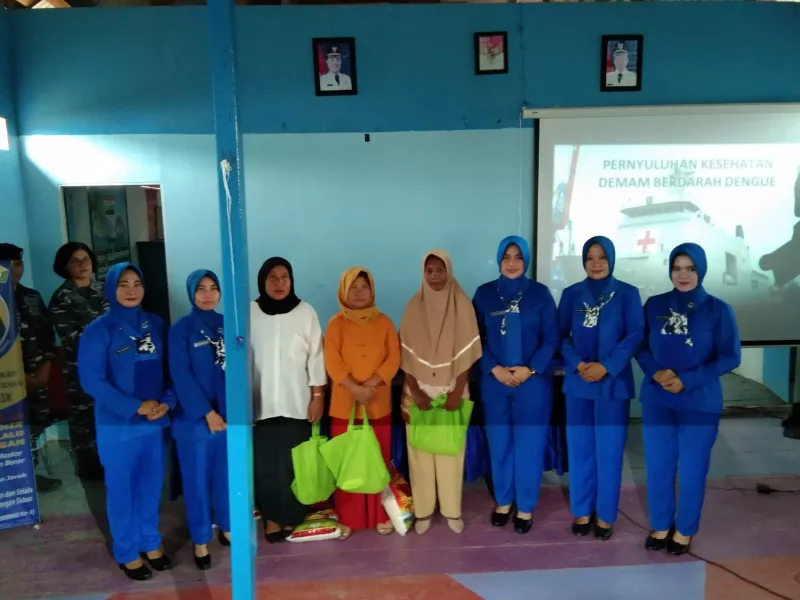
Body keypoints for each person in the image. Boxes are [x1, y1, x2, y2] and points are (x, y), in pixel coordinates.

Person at [637, 243, 741, 555]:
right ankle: (660, 524)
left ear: (701, 270)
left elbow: (730, 356)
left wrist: (687, 380)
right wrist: (655, 372)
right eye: (677, 268)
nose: (683, 275)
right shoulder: (654, 305)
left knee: (693, 469)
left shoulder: (718, 309)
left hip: (699, 402)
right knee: (658, 466)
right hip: (658, 400)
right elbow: (640, 347)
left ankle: (684, 530)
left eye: (691, 268)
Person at [78, 262, 174, 581]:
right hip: (117, 428)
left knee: (151, 488)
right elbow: (92, 381)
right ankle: (127, 552)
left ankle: (150, 542)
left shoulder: (156, 324)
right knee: (122, 491)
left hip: (154, 424)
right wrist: (135, 407)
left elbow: (170, 371)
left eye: (137, 283)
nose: (131, 290)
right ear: (111, 289)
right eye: (123, 284)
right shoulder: (98, 331)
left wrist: (167, 402)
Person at [557, 236, 644, 541]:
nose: (596, 263)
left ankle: (605, 514)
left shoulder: (627, 294)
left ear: (612, 260)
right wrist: (579, 364)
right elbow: (559, 335)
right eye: (590, 257)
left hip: (613, 384)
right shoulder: (571, 294)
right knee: (580, 449)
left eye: (602, 257)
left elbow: (635, 335)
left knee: (609, 452)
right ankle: (582, 510)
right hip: (578, 383)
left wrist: (607, 366)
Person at [473, 237, 560, 534]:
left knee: (529, 446)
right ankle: (503, 501)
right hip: (495, 382)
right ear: (499, 260)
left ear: (527, 261)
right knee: (499, 444)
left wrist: (531, 368)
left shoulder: (540, 294)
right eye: (507, 257)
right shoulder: (484, 294)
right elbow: (474, 337)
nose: (512, 263)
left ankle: (525, 506)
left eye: (518, 257)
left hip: (531, 383)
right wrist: (493, 367)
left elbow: (552, 338)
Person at [400, 250, 482, 535]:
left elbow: (468, 356)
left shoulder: (462, 305)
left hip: (452, 390)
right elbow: (404, 355)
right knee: (420, 453)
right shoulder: (413, 306)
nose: (434, 276)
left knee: (451, 453)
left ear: (449, 271)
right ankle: (423, 512)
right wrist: (416, 391)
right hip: (419, 392)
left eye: (440, 270)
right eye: (429, 271)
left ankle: (451, 511)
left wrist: (457, 392)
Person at [250, 257, 326, 543]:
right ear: (263, 281)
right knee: (266, 465)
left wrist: (317, 396)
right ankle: (271, 517)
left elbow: (316, 356)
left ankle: (293, 514)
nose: (279, 283)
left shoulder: (306, 312)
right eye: (272, 277)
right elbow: (242, 358)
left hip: (298, 401)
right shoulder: (250, 312)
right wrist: (245, 402)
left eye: (284, 277)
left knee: (295, 462)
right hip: (261, 403)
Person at [324, 267, 401, 538]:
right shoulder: (336, 324)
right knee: (348, 463)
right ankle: (347, 517)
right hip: (345, 406)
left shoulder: (385, 323)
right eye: (353, 287)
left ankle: (380, 514)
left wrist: (370, 386)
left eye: (364, 286)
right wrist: (354, 388)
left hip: (377, 404)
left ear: (372, 291)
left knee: (377, 460)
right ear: (343, 291)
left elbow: (394, 359)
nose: (359, 292)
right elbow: (332, 361)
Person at [169, 270, 229, 571]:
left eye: (213, 288)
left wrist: (240, 413)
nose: (208, 294)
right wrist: (207, 413)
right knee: (197, 483)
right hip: (195, 422)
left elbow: (241, 369)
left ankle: (227, 527)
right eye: (201, 288)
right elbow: (181, 377)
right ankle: (201, 539)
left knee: (226, 478)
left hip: (228, 420)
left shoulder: (229, 326)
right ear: (192, 292)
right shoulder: (181, 330)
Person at [0, 243, 62, 493]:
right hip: (8, 381)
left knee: (35, 424)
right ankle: (10, 480)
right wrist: (22, 377)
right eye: (10, 264)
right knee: (10, 429)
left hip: (39, 374)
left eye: (19, 263)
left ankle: (29, 476)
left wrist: (45, 368)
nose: (16, 269)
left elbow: (47, 334)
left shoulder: (32, 296)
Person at [49, 242, 109, 480]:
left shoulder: (105, 289)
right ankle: (89, 468)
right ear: (65, 266)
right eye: (75, 260)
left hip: (110, 367)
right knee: (83, 418)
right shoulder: (61, 297)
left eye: (86, 259)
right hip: (80, 369)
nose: (82, 264)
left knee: (107, 412)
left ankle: (109, 460)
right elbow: (71, 338)